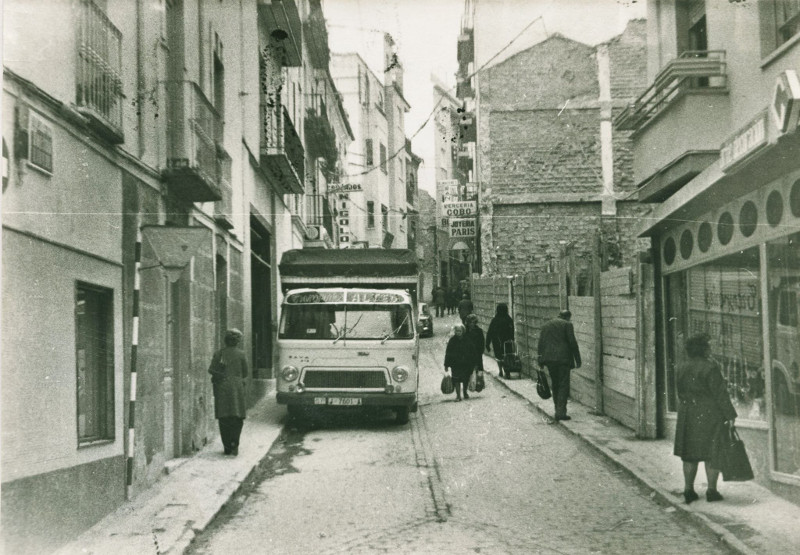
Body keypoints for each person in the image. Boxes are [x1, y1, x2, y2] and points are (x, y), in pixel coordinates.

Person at [673, 333, 737, 504]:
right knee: (712, 452)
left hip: (688, 414)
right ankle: (711, 490)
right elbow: (720, 394)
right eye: (708, 346)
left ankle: (688, 489)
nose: (710, 348)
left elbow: (679, 392)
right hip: (709, 414)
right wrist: (730, 415)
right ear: (702, 349)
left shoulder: (681, 367)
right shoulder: (710, 367)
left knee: (689, 454)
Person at [208, 329, 249, 456]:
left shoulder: (219, 353)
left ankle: (227, 447)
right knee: (237, 417)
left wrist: (222, 374)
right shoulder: (241, 354)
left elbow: (211, 370)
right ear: (237, 341)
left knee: (224, 417)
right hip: (237, 388)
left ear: (226, 340)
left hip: (223, 387)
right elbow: (245, 372)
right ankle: (234, 445)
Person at [537, 309, 581, 421]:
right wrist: (578, 359)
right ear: (568, 317)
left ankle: (558, 409)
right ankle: (561, 413)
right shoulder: (567, 324)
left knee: (555, 384)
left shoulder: (546, 325)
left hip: (550, 360)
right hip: (563, 360)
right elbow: (572, 342)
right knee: (563, 385)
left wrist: (540, 360)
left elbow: (541, 343)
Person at [444, 324, 473, 401]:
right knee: (456, 379)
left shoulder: (467, 339)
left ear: (463, 331)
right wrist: (446, 365)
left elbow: (472, 351)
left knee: (465, 379)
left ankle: (465, 392)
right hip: (455, 364)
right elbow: (448, 353)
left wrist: (473, 363)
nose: (458, 332)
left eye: (460, 331)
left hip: (465, 363)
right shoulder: (452, 340)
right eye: (457, 331)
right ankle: (458, 396)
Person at [486, 303, 515, 378]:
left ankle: (500, 371)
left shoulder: (495, 320)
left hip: (497, 341)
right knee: (507, 356)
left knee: (499, 357)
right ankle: (507, 372)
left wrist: (487, 343)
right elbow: (512, 331)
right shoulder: (509, 319)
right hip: (507, 341)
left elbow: (490, 332)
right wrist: (512, 340)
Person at [464, 314, 485, 391]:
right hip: (467, 353)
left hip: (477, 353)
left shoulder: (479, 331)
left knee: (478, 370)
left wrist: (480, 352)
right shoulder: (465, 330)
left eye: (473, 322)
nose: (472, 324)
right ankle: (468, 386)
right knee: (467, 370)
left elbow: (482, 342)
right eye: (470, 322)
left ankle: (479, 384)